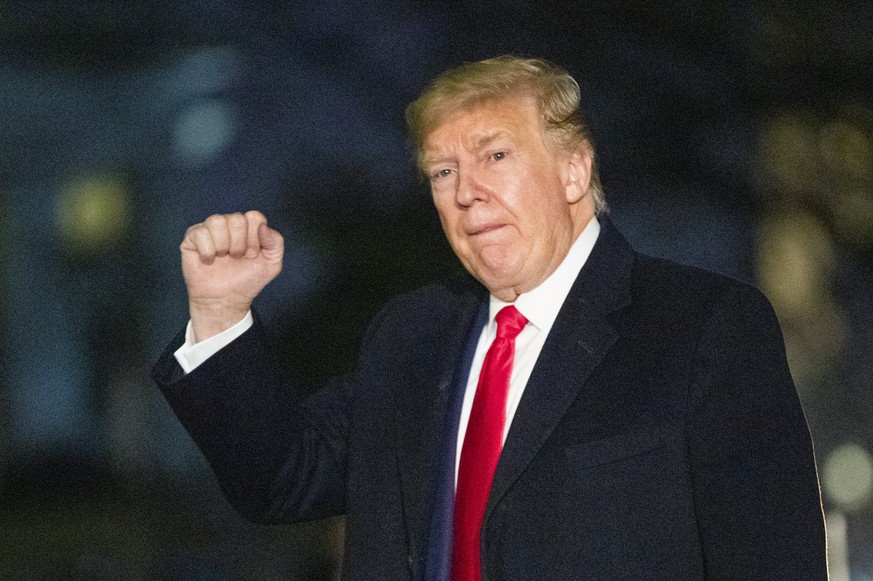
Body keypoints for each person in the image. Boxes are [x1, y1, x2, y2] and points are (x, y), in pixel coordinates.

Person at [153, 56, 828, 579]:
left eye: (495, 156)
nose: (466, 192)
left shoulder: (703, 326)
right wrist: (220, 313)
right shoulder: (410, 335)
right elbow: (283, 478)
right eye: (441, 173)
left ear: (572, 171)